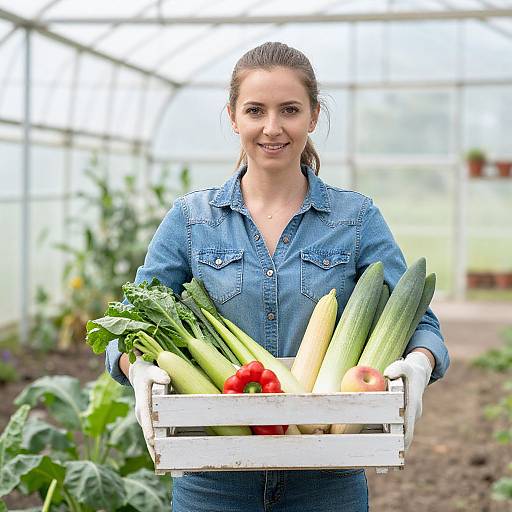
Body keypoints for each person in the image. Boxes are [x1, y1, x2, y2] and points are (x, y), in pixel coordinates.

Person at [105, 41, 450, 512]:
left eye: (289, 110)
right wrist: (137, 368)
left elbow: (421, 323)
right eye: (255, 110)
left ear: (312, 116)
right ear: (233, 116)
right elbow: (124, 326)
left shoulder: (355, 219)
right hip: (213, 477)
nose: (272, 128)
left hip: (327, 477)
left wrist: (419, 363)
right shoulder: (191, 220)